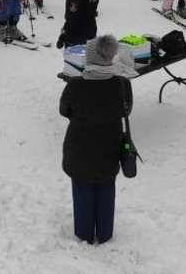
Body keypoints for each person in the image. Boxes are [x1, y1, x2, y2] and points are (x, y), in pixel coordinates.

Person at [60, 34, 133, 245]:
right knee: (106, 188)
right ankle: (105, 232)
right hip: (110, 147)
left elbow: (64, 110)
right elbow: (127, 109)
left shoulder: (75, 85)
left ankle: (84, 233)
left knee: (82, 188)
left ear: (90, 58)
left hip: (79, 148)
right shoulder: (122, 84)